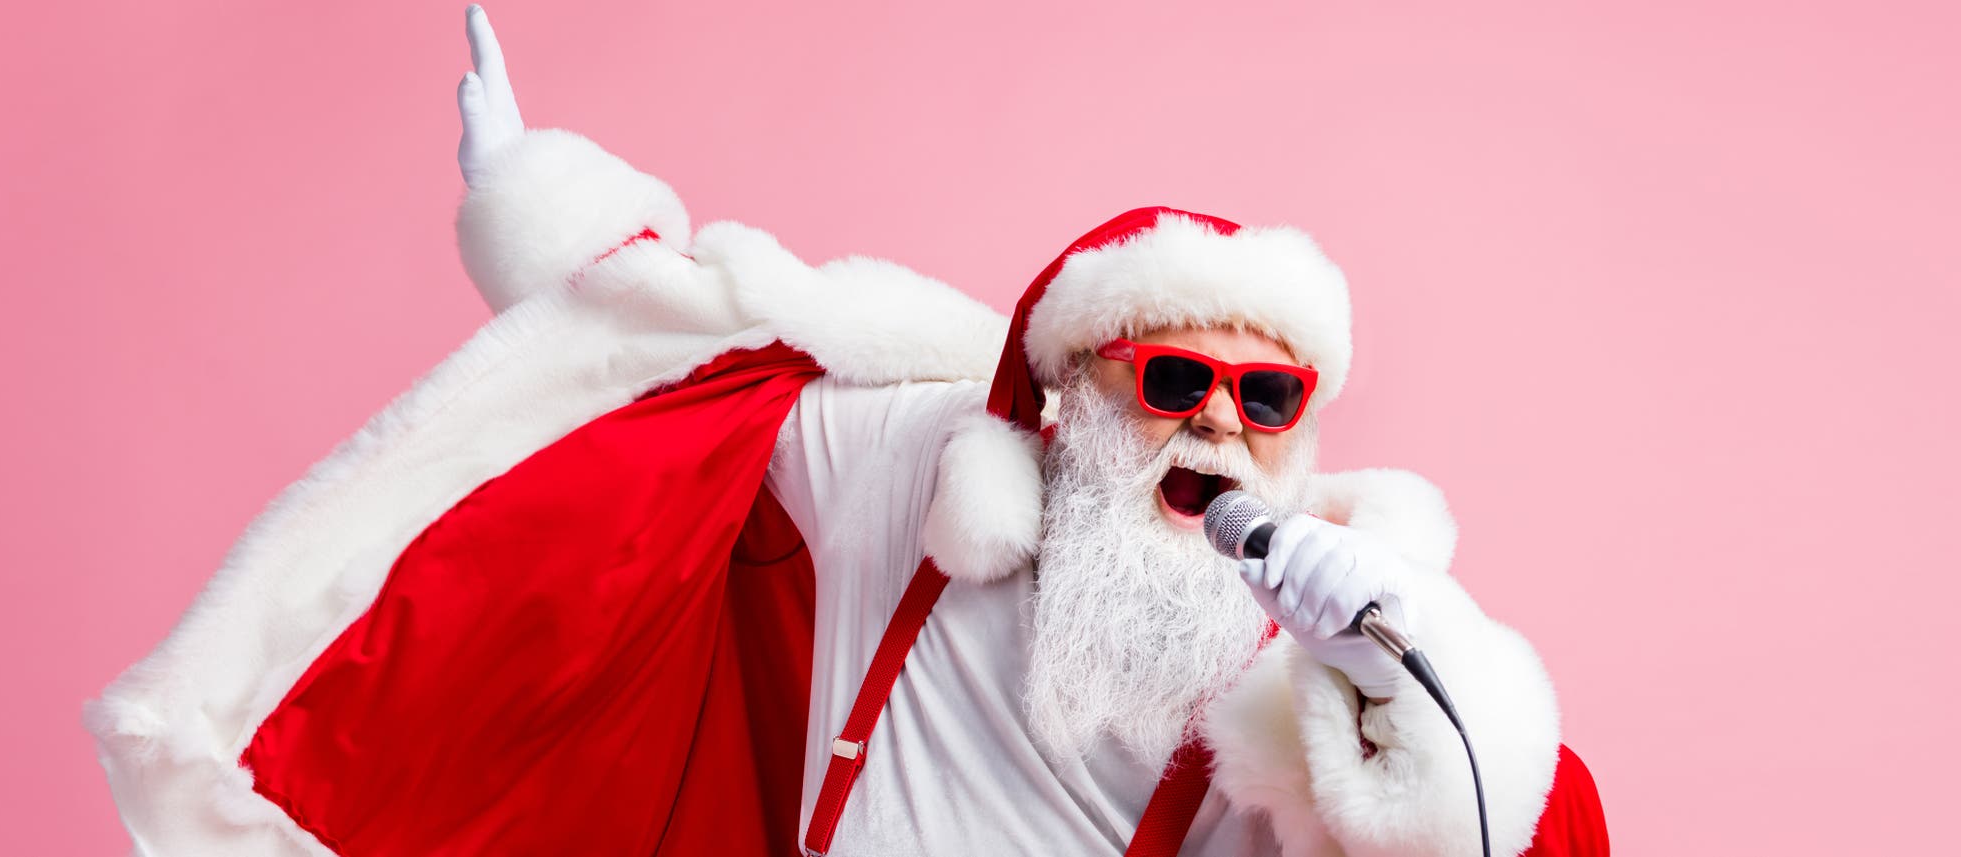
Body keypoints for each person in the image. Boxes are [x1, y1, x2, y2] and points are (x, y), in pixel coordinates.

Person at [87, 6, 1607, 856]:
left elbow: (1486, 840)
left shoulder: (1318, 656)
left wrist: (1411, 672)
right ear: (1070, 395)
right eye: (1173, 380)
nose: (1217, 415)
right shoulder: (916, 471)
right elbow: (713, 339)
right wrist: (535, 201)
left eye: (1263, 396)